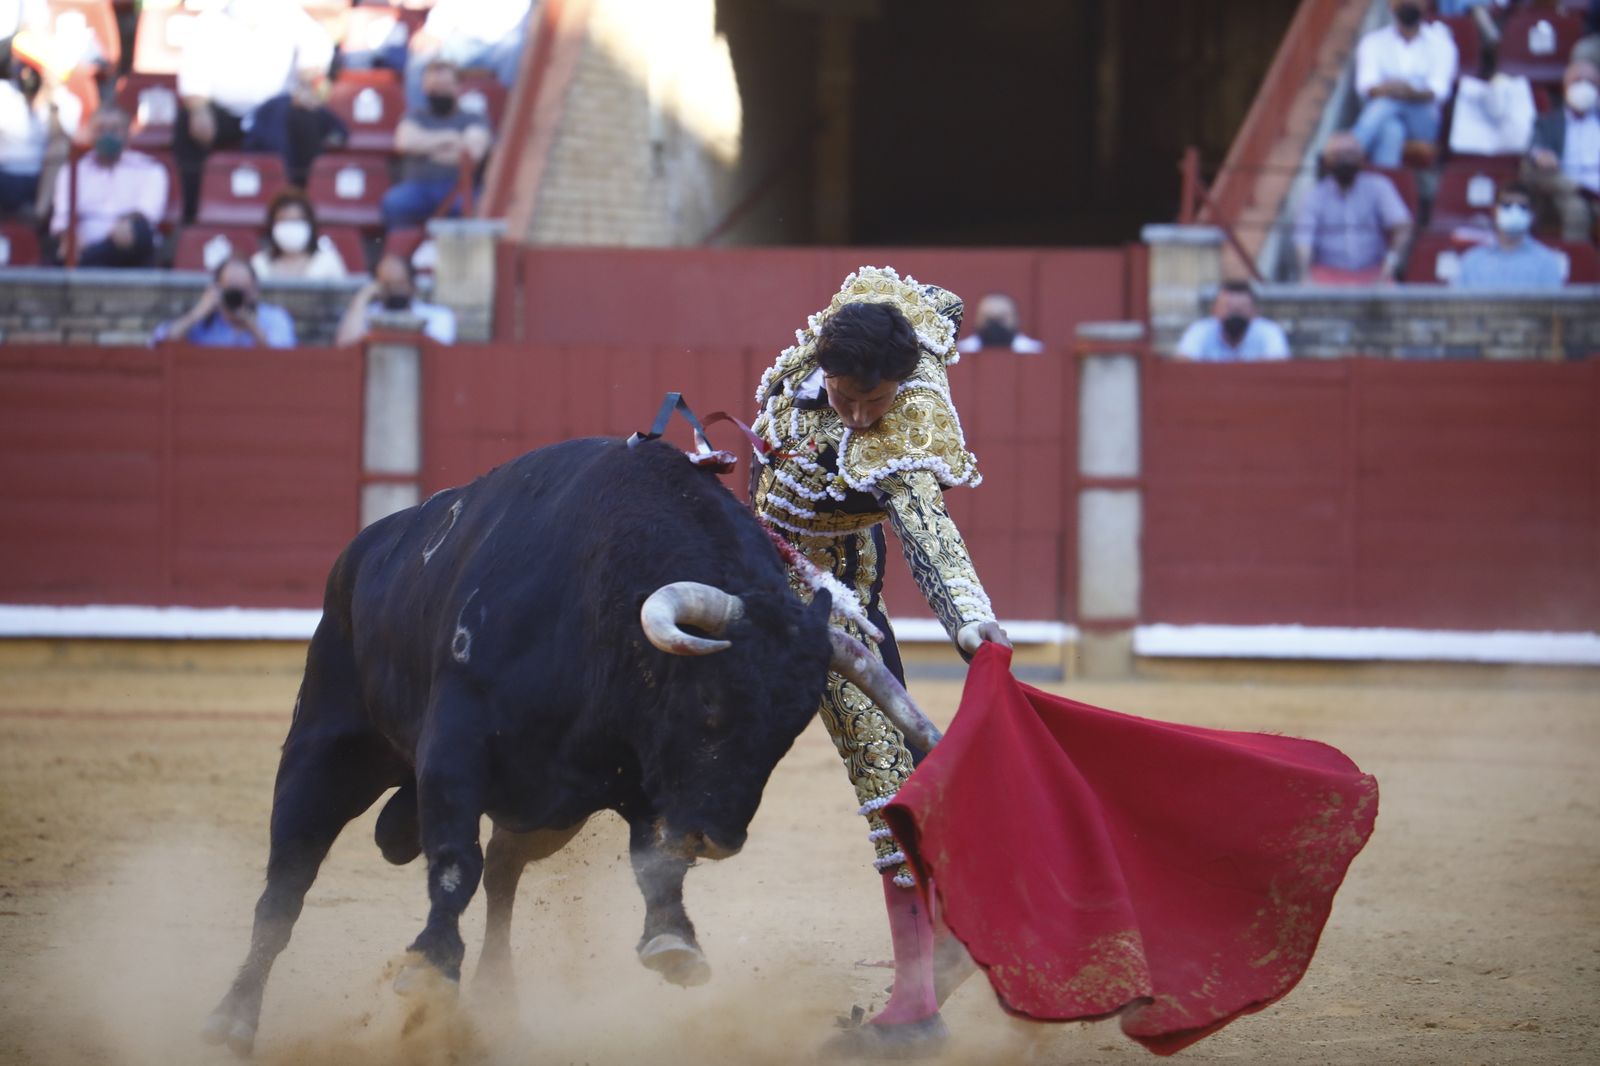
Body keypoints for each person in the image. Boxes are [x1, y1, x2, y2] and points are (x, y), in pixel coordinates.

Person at [748, 267, 1010, 1057]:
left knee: (888, 775)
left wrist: (975, 625)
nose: (862, 415)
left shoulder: (909, 427)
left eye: (876, 401)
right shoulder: (837, 341)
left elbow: (932, 536)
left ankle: (916, 996)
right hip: (750, 571)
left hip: (840, 606)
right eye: (847, 398)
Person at [173, 0, 334, 221]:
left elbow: (319, 45)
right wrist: (198, 108)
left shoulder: (288, 13)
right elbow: (192, 72)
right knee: (186, 123)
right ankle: (193, 212)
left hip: (275, 112)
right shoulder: (207, 21)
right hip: (225, 114)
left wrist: (308, 78)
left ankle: (301, 204)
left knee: (305, 119)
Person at [49, 104, 166, 267]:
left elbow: (149, 212)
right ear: (90, 132)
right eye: (100, 129)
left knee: (139, 231)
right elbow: (63, 214)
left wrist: (126, 222)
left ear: (127, 132)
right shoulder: (72, 170)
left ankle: (88, 262)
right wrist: (69, 235)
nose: (107, 135)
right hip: (83, 244)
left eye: (114, 129)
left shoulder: (150, 169)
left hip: (127, 244)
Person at [1294, 131, 1414, 284]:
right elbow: (1303, 240)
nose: (1345, 160)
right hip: (1327, 274)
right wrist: (1305, 277)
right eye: (1338, 155)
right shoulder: (1314, 196)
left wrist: (1388, 267)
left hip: (1374, 273)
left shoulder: (1379, 186)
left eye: (1350, 154)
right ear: (1326, 160)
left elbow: (1402, 225)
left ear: (1361, 157)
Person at [382, 59, 490, 228]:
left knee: (472, 206)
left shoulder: (473, 118)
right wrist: (451, 137)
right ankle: (399, 252)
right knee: (395, 203)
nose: (439, 91)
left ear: (458, 87)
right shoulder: (415, 116)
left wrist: (424, 149)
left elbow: (471, 154)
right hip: (417, 188)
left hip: (457, 187)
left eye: (445, 85)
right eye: (434, 86)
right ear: (424, 88)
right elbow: (404, 142)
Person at [1350, 0, 1459, 167]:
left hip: (1423, 121)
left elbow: (1439, 90)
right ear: (1390, 4)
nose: (1408, 2)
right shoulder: (1373, 42)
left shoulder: (1441, 43)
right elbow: (1366, 86)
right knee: (1392, 131)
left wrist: (1408, 92)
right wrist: (1394, 90)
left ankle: (1352, 146)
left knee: (1386, 102)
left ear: (1425, 4)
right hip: (1383, 118)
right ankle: (1387, 179)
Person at [1522, 59, 1600, 243]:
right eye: (1577, 81)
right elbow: (1534, 147)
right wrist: (1541, 155)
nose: (1583, 86)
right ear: (1565, 88)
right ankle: (1575, 266)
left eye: (1590, 82)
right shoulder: (1548, 122)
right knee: (1576, 210)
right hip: (1565, 185)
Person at [402, 0, 529, 110]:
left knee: (518, 51)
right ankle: (420, 122)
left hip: (505, 44)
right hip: (462, 41)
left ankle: (512, 119)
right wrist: (433, 31)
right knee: (421, 58)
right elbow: (447, 9)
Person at [153, 256, 296, 347]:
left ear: (254, 290)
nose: (236, 298)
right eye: (230, 291)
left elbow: (283, 357)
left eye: (242, 291)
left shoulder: (274, 318)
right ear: (217, 289)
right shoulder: (203, 321)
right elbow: (159, 343)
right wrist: (198, 313)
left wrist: (251, 324)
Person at [242, 69, 348, 188]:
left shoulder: (318, 112)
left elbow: (341, 134)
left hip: (305, 174)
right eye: (303, 87)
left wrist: (325, 140)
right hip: (272, 173)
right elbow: (252, 138)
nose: (305, 93)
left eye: (310, 88)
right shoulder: (274, 106)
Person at [1452, 181, 1567, 288]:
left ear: (1532, 214)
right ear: (1494, 210)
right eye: (1507, 206)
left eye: (1522, 207)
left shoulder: (1546, 262)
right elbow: (1456, 306)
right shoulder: (1472, 261)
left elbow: (1553, 307)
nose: (1514, 211)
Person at [335, 251, 456, 345]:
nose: (394, 289)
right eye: (387, 284)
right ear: (377, 286)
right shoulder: (365, 315)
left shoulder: (438, 316)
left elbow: (437, 351)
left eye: (400, 283)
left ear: (412, 286)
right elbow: (346, 345)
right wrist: (363, 297)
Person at [1174, 281, 1290, 361]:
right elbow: (1183, 363)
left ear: (1253, 312)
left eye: (1240, 310)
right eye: (1229, 309)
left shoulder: (1268, 331)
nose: (1235, 315)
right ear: (1215, 311)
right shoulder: (1200, 330)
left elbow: (1278, 364)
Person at [251, 187, 349, 280]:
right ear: (272, 225)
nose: (291, 227)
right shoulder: (259, 265)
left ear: (310, 225)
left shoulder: (328, 263)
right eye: (284, 220)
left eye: (297, 220)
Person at [953, 292, 1045, 354]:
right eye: (989, 318)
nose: (995, 324)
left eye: (1002, 318)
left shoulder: (1035, 351)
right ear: (977, 319)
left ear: (1016, 318)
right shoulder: (960, 352)